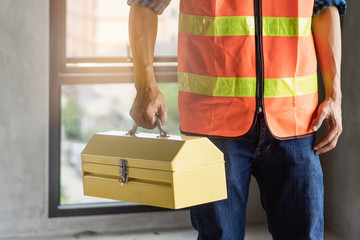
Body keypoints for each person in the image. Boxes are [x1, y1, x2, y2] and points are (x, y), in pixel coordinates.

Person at [127, 0, 347, 239]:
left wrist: (335, 94)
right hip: (213, 125)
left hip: (296, 119)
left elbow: (325, 7)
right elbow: (144, 4)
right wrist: (145, 86)